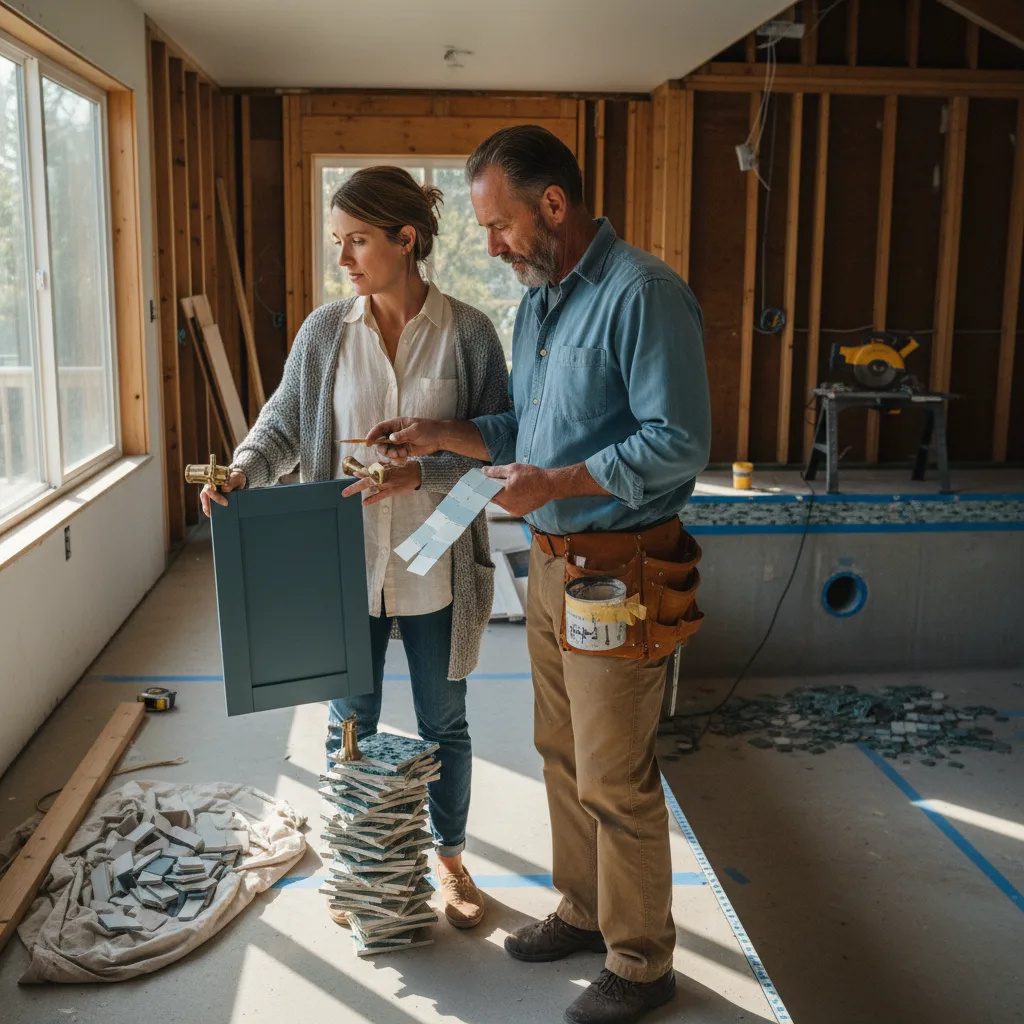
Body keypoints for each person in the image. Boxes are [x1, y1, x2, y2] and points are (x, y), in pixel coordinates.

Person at [368, 126, 711, 1024]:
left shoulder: (643, 294)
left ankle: (642, 962)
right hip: (557, 569)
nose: (489, 245)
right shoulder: (543, 301)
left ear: (553, 204)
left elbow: (677, 441)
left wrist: (554, 484)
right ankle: (585, 909)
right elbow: (531, 429)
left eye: (498, 225)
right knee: (563, 756)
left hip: (622, 569)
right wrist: (445, 436)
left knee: (614, 773)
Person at [199, 165, 510, 931]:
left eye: (358, 241)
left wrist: (421, 475)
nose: (343, 259)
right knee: (352, 721)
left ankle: (450, 859)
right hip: (345, 568)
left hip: (437, 568)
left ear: (406, 240)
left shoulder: (468, 333)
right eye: (338, 242)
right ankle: (363, 858)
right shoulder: (323, 332)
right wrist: (242, 470)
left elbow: (500, 448)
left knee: (446, 722)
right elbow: (281, 422)